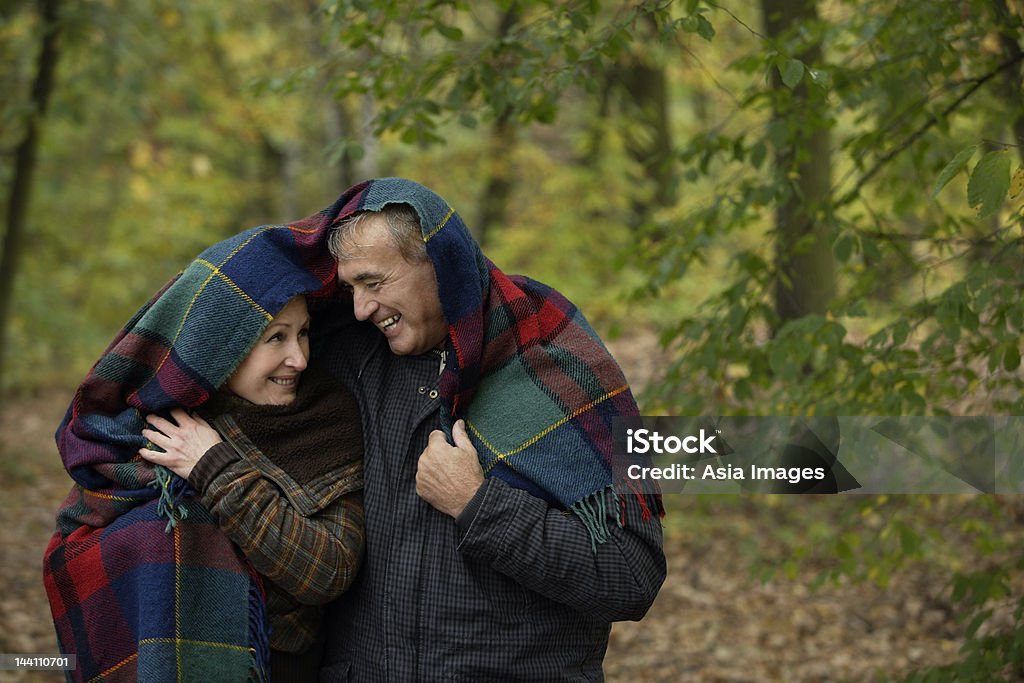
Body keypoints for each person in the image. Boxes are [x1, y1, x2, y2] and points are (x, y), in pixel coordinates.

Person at [308, 177, 667, 681]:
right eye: (350, 289)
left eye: (374, 282)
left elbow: (632, 576)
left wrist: (477, 504)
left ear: (440, 263)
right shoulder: (349, 363)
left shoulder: (560, 366)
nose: (361, 308)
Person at [43, 226, 363, 682]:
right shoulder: (159, 425)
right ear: (223, 347)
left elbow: (327, 569)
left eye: (304, 334)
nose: (299, 359)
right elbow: (83, 543)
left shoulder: (324, 419)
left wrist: (214, 467)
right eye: (276, 338)